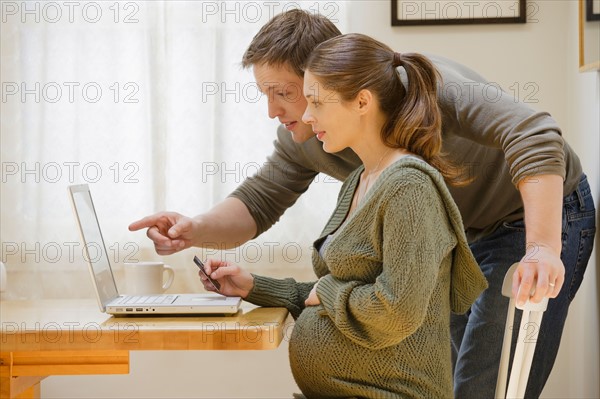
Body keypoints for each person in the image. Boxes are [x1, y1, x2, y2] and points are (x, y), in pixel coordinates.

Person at [129, 10, 596, 398]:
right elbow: (260, 200)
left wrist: (540, 248)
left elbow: (535, 133)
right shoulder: (312, 136)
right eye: (265, 95)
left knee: (484, 386)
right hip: (458, 237)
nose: (274, 110)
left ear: (333, 77)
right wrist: (193, 228)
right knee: (454, 383)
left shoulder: (430, 88)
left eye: (284, 93)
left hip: (528, 217)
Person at [199, 33, 488, 397]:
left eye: (317, 102)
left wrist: (330, 290)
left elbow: (394, 310)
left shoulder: (408, 188)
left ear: (362, 102)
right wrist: (255, 286)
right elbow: (332, 293)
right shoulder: (359, 179)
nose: (306, 114)